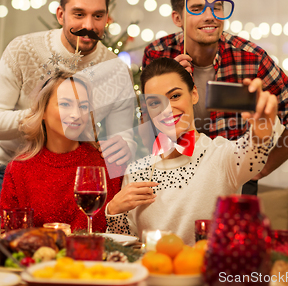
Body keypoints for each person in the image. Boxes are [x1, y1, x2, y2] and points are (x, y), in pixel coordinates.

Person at [0, 0, 135, 215]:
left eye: (98, 16)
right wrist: (44, 117)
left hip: (71, 181)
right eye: (79, 14)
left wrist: (123, 144)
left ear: (107, 18)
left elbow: (123, 137)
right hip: (5, 170)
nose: (88, 25)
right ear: (60, 14)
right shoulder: (23, 49)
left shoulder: (116, 69)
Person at [142, 0, 288, 195]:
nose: (210, 16)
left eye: (217, 7)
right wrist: (170, 80)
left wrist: (262, 169)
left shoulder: (252, 59)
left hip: (234, 176)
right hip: (175, 174)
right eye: (197, 8)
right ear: (177, 18)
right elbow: (149, 120)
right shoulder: (158, 53)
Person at [105, 58, 277, 245]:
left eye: (175, 96)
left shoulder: (222, 156)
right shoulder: (136, 170)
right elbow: (125, 245)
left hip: (209, 272)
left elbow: (255, 152)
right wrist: (113, 211)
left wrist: (262, 127)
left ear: (194, 94)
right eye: (155, 103)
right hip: (154, 270)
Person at [0, 70, 124, 232]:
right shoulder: (18, 169)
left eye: (83, 106)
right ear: (43, 110)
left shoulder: (106, 162)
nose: (76, 114)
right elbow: (9, 235)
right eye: (65, 104)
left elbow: (119, 232)